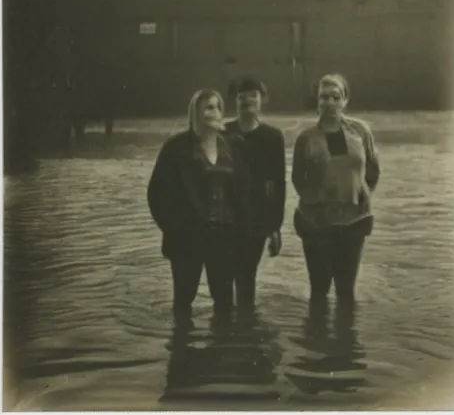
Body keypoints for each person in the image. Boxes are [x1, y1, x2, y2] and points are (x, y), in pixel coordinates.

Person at [147, 89, 250, 324]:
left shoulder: (233, 146)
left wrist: (243, 228)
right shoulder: (176, 147)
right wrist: (174, 229)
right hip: (188, 238)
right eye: (208, 107)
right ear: (195, 112)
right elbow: (156, 195)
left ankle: (221, 350)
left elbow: (243, 191)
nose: (214, 112)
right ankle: (183, 352)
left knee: (224, 302)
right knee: (183, 302)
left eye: (217, 107)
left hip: (224, 235)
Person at [291, 73, 380, 310]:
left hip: (354, 220)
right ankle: (316, 341)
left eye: (335, 96)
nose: (329, 102)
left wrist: (357, 192)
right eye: (323, 97)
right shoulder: (306, 137)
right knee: (319, 291)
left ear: (345, 100)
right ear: (317, 101)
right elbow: (298, 178)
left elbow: (372, 170)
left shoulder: (360, 132)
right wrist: (321, 198)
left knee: (346, 292)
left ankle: (346, 343)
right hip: (315, 222)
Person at [225, 76, 286, 314]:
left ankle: (245, 330)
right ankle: (226, 331)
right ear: (234, 102)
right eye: (241, 97)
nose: (246, 102)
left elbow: (278, 184)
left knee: (247, 277)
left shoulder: (272, 137)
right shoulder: (224, 133)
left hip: (256, 218)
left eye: (252, 97)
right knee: (223, 278)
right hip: (226, 216)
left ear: (262, 101)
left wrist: (275, 227)